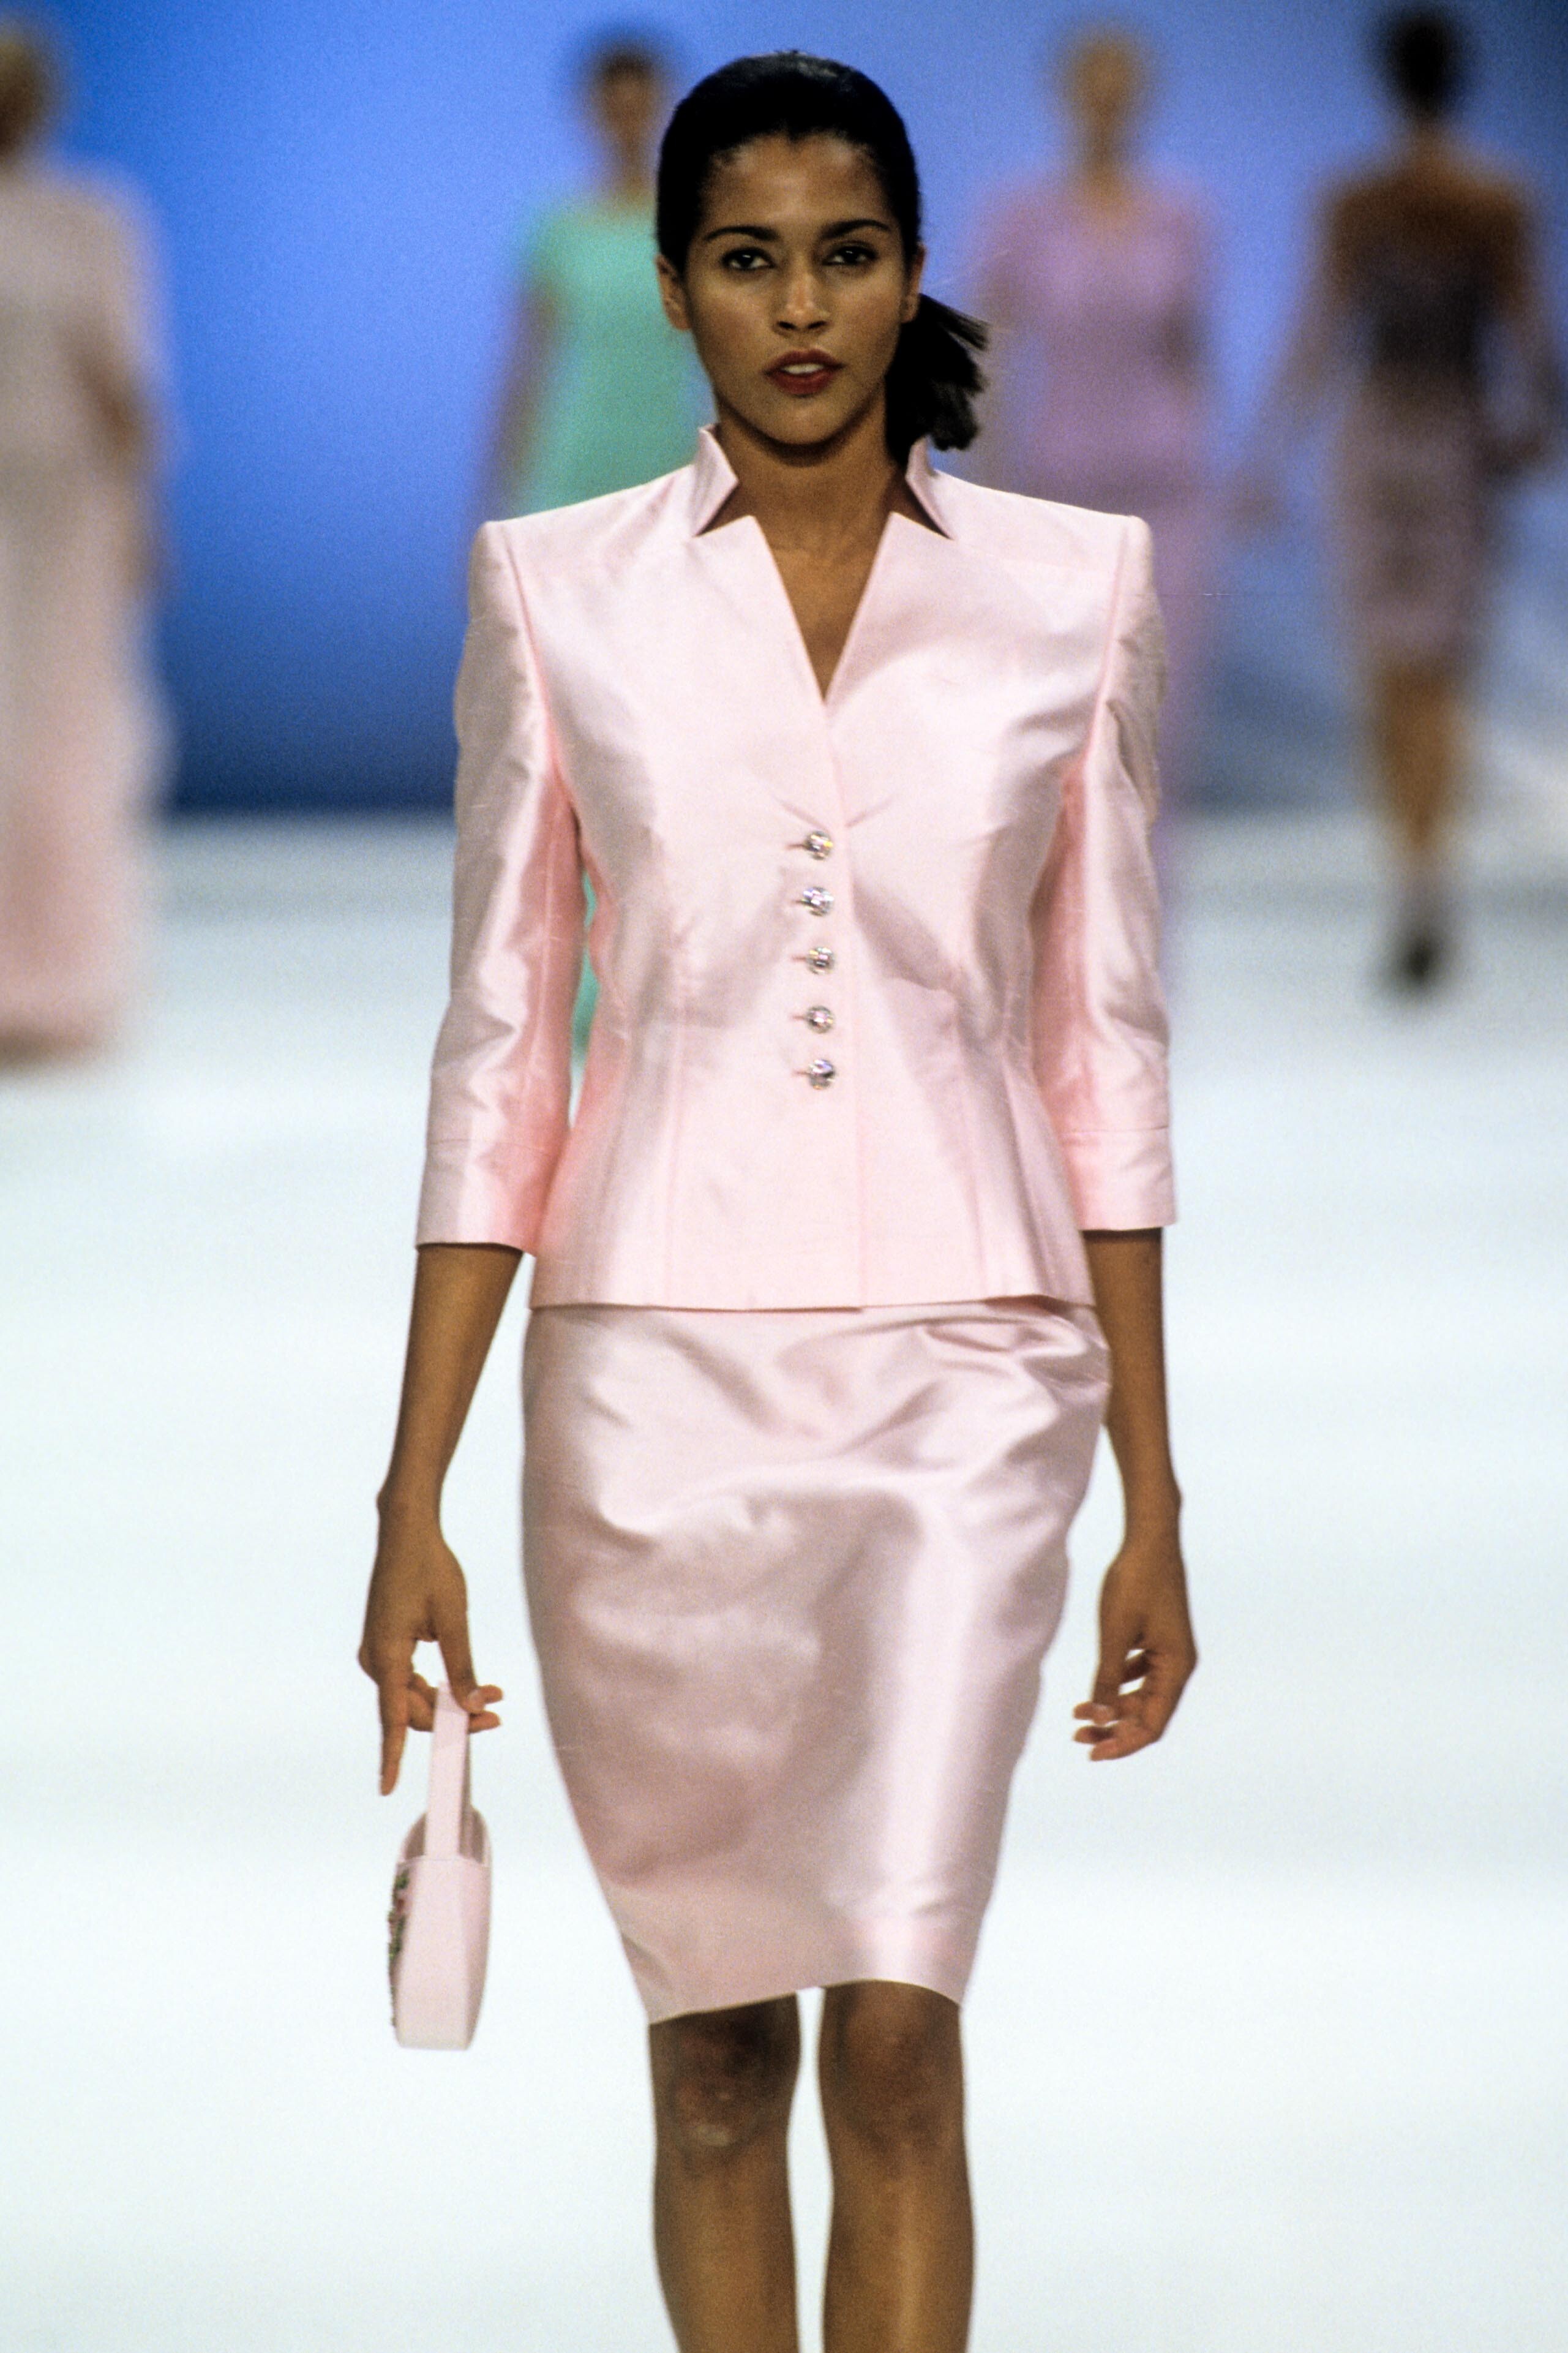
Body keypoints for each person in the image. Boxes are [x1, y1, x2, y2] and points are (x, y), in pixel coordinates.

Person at [361, 51, 1196, 2353]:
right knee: (715, 2056)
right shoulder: (557, 592)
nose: (800, 307)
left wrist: (1149, 1483)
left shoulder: (1067, 592)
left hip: (967, 1380)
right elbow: (500, 1048)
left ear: (911, 275)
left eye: (843, 256)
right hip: (645, 1390)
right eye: (747, 260)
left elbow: (1100, 1051)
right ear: (671, 287)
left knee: (900, 2028)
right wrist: (411, 1488)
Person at [1244, 8, 1562, 988]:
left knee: (1389, 667)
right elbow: (1531, 336)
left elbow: (1318, 333)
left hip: (1376, 433)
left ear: (1387, 81)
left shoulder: (1361, 200)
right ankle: (1427, 876)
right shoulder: (1494, 200)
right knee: (1439, 669)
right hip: (1457, 434)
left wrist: (1268, 456)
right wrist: (1540, 431)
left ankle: (1412, 874)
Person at [973, 28, 1215, 822]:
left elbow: (1191, 353)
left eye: (1121, 88)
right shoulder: (1023, 217)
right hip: (1059, 485)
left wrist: (1207, 470)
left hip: (1164, 491)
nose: (1107, 104)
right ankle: (1070, 899)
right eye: (1093, 87)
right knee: (1062, 714)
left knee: (1158, 710)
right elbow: (988, 361)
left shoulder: (1179, 217)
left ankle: (1147, 901)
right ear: (1068, 95)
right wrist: (986, 492)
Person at [0, 20, 162, 1058]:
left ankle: (54, 980)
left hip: (66, 514)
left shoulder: (93, 218)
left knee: (62, 739)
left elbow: (122, 380)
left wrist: (145, 515)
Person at [488, 34, 699, 520]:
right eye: (614, 110)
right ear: (592, 112)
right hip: (572, 463)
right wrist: (499, 490)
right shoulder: (557, 229)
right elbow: (527, 365)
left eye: (639, 108)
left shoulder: (693, 225)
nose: (627, 125)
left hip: (670, 458)